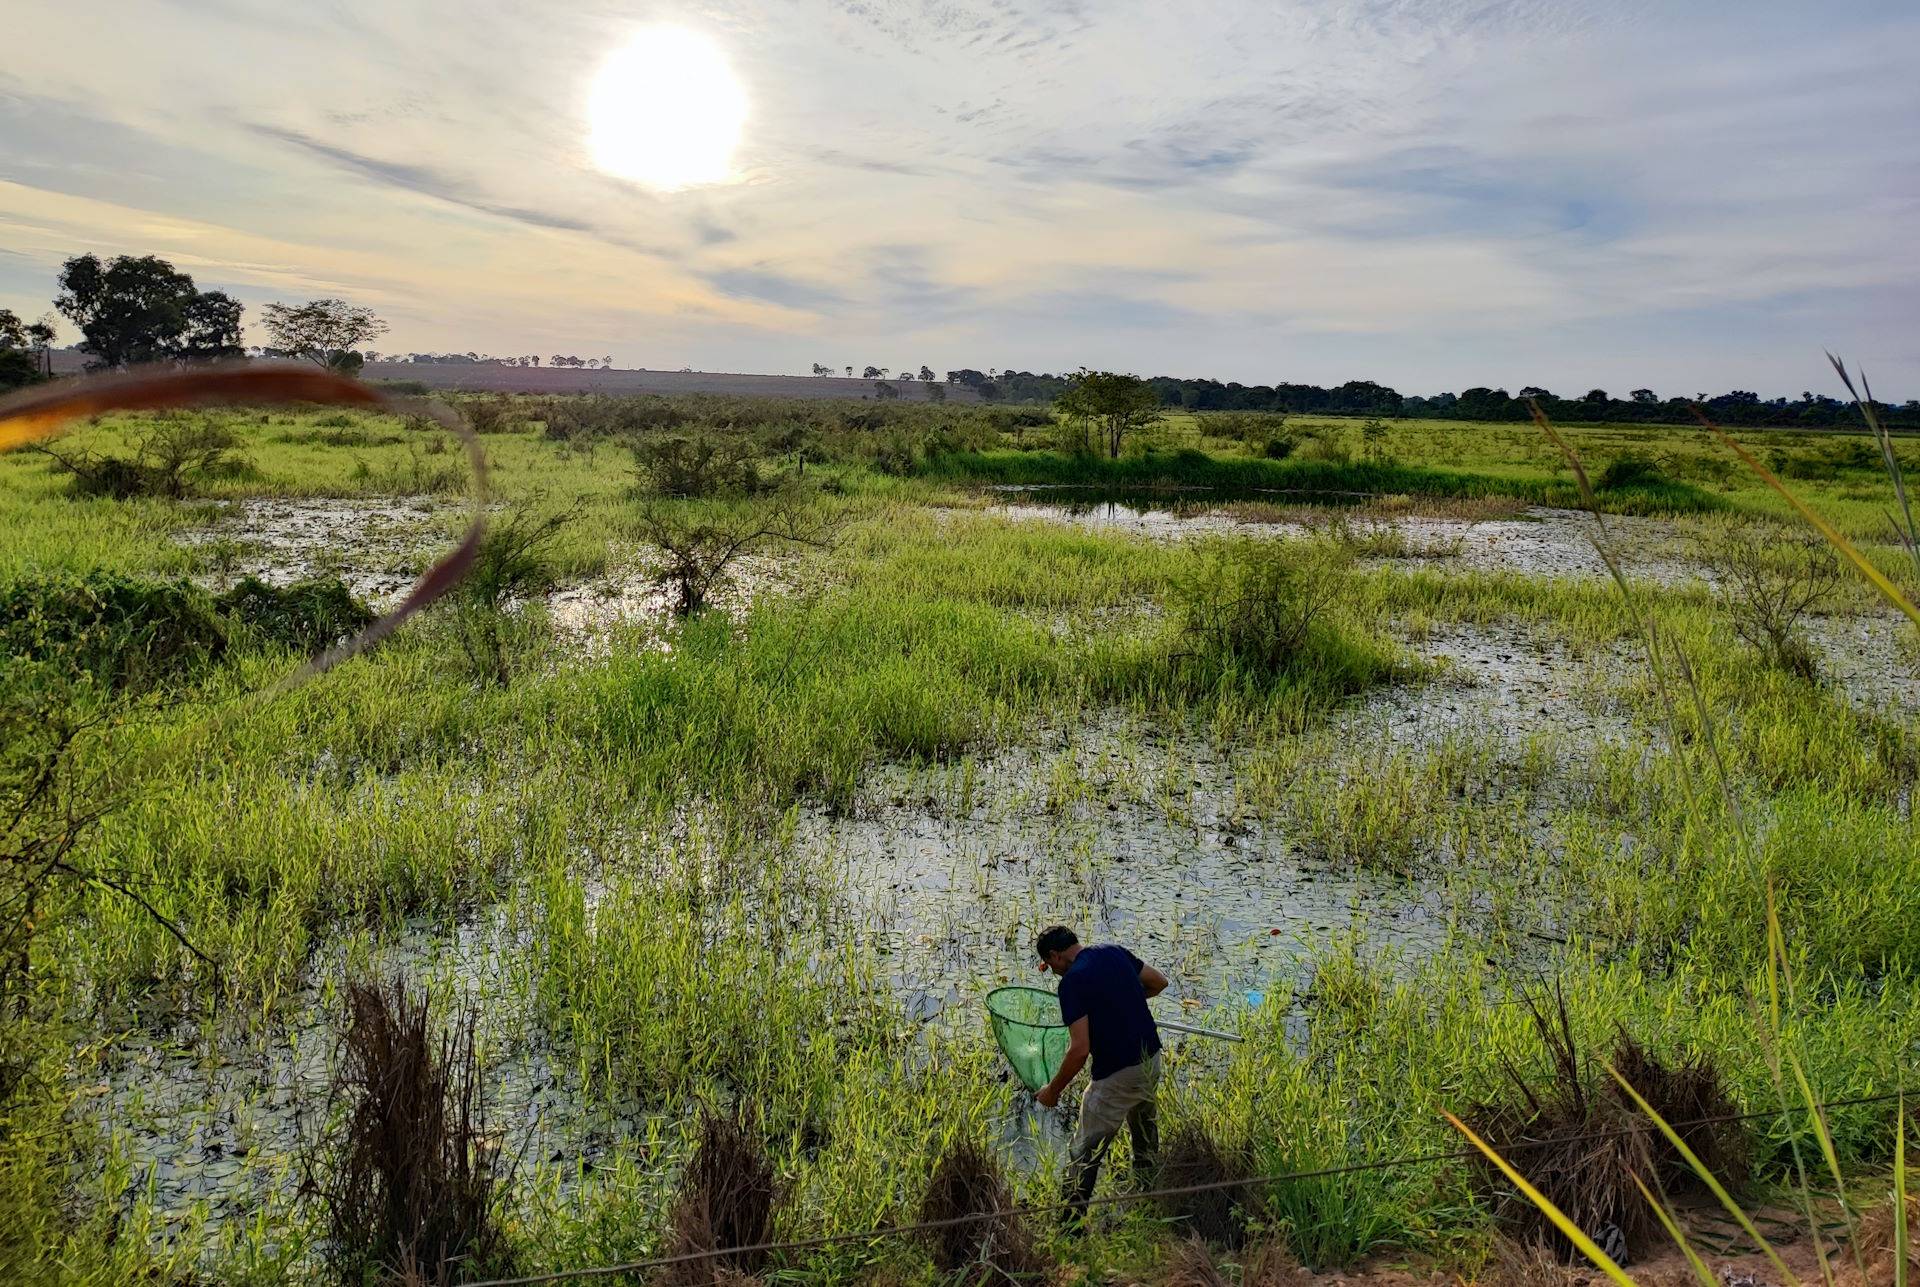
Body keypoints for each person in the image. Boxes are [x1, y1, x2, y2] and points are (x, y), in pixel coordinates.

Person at [1032, 925, 1168, 1222]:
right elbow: (1159, 983)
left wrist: (1052, 1092)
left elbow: (1079, 1050)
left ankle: (1070, 1225)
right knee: (1145, 1137)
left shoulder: (1072, 982)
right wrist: (1119, 1002)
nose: (1053, 972)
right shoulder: (1113, 951)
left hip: (1118, 1074)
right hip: (1151, 1059)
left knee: (1084, 1151)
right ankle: (1148, 1203)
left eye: (1049, 965)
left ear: (1055, 956)